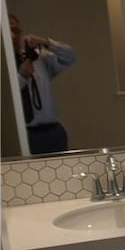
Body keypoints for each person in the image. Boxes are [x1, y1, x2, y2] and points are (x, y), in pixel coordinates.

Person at [9, 13, 76, 155]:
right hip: (23, 135)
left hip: (53, 132)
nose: (13, 36)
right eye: (7, 31)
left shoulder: (38, 58)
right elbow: (5, 97)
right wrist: (21, 76)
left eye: (15, 30)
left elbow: (70, 58)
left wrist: (46, 42)